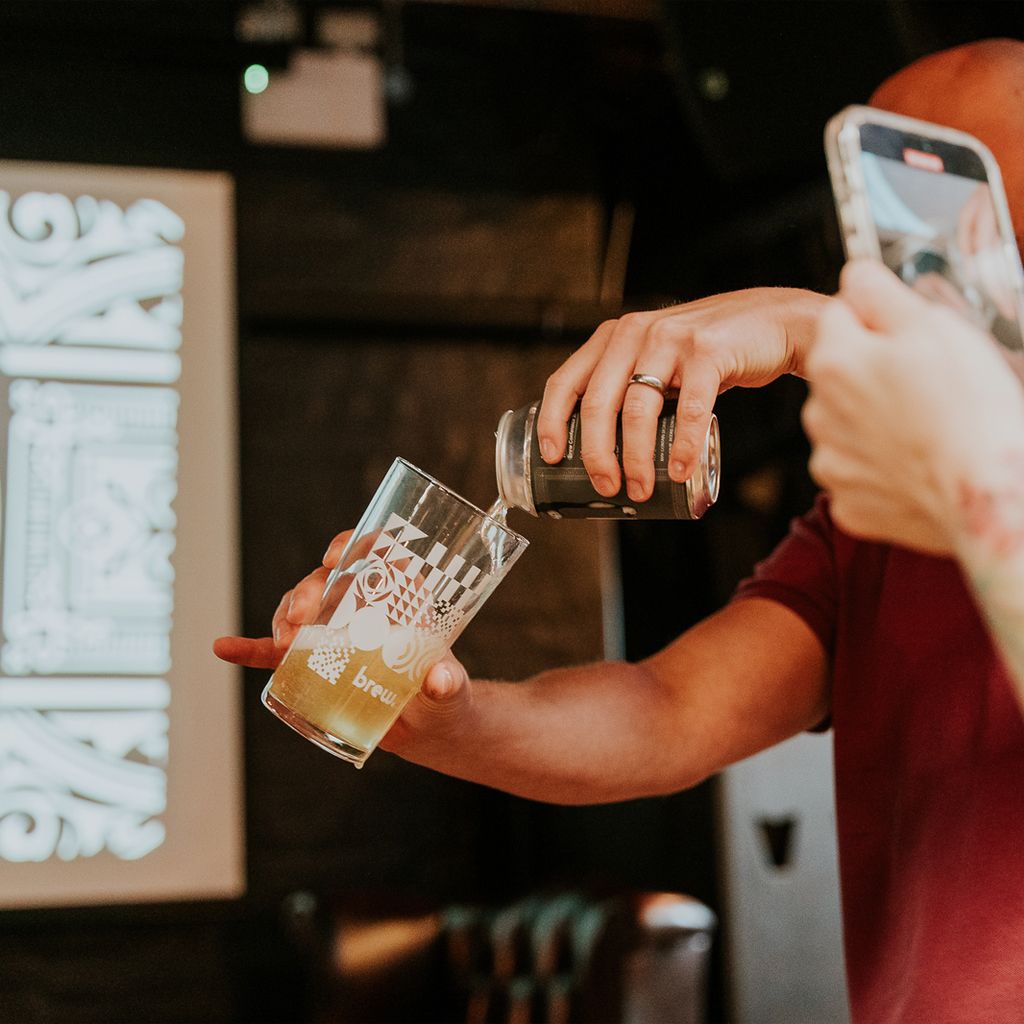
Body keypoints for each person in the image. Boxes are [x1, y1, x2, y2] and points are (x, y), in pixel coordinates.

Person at [215, 40, 1024, 1024]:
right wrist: (444, 715)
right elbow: (665, 714)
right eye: (880, 219)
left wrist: (816, 331)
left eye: (946, 220)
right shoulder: (875, 521)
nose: (892, 276)